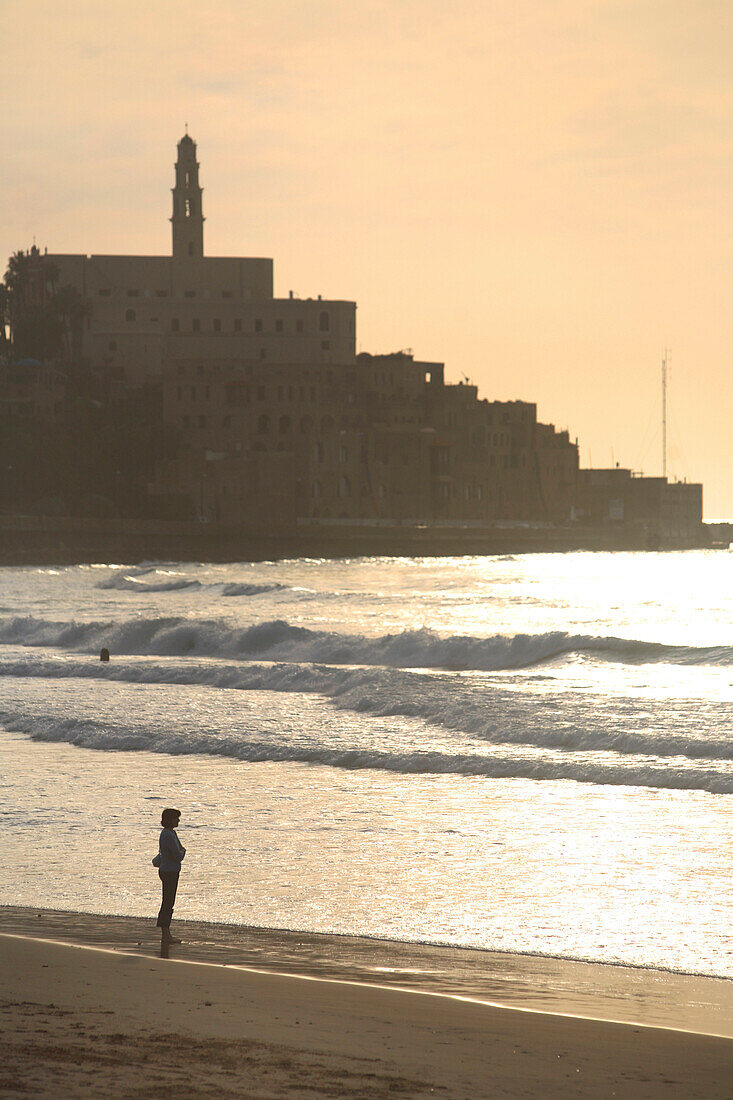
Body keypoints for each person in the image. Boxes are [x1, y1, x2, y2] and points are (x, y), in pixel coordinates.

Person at [155, 807, 186, 944]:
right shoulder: (168, 834)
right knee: (168, 902)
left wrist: (181, 850)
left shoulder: (169, 833)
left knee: (168, 902)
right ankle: (165, 934)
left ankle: (166, 933)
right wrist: (183, 851)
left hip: (168, 869)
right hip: (170, 871)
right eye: (176, 818)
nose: (178, 820)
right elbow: (178, 854)